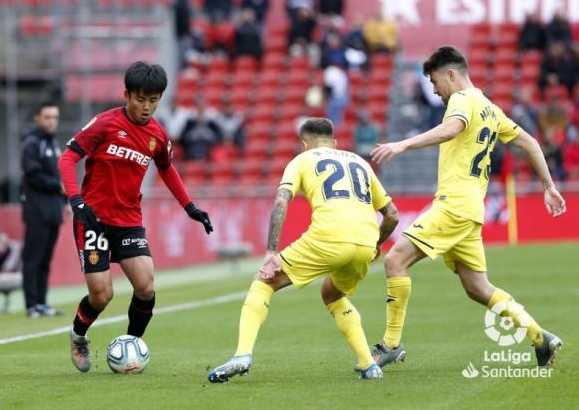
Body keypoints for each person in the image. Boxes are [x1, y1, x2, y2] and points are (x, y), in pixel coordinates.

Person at [369, 46, 567, 369]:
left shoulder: (461, 101)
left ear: (451, 75)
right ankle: (540, 337)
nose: (435, 91)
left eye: (435, 82)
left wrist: (404, 143)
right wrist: (549, 186)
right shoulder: (490, 108)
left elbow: (453, 127)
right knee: (478, 287)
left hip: (454, 206)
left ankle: (391, 344)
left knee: (395, 259)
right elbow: (530, 142)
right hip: (472, 210)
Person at [207, 118, 400, 382]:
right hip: (365, 242)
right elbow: (392, 215)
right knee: (332, 293)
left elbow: (281, 201)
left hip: (329, 236)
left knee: (263, 282)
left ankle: (242, 355)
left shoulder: (301, 160)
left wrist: (270, 252)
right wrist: (377, 243)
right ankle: (369, 365)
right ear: (335, 143)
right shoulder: (360, 162)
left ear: (303, 144)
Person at [58, 62, 213, 373]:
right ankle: (78, 335)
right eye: (141, 99)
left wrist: (190, 207)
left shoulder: (157, 135)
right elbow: (68, 157)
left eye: (154, 100)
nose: (147, 107)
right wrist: (76, 201)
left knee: (146, 287)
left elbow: (167, 169)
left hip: (128, 219)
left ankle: (131, 347)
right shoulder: (104, 124)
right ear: (126, 94)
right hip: (93, 219)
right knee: (102, 295)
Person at [20, 102, 65, 318]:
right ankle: (31, 305)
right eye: (47, 117)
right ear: (37, 118)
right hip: (37, 211)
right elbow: (33, 174)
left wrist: (63, 203)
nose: (51, 121)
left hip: (53, 211)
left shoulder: (53, 143)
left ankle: (42, 303)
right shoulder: (32, 143)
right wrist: (58, 187)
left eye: (54, 117)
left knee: (45, 259)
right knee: (33, 259)